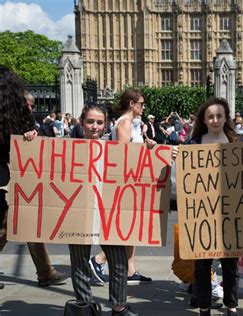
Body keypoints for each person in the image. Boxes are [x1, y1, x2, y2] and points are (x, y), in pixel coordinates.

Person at [176, 96, 243, 316]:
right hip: (204, 214)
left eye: (219, 116)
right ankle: (204, 306)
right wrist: (178, 156)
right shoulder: (193, 144)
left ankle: (231, 306)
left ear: (226, 118)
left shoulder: (238, 143)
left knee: (230, 266)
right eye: (210, 116)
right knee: (202, 266)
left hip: (230, 213)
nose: (215, 120)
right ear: (204, 120)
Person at [0, 66, 68, 288]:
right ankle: (45, 273)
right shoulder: (10, 114)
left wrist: (28, 136)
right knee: (9, 225)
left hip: (10, 178)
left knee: (28, 222)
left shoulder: (13, 116)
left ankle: (45, 272)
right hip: (5, 179)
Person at [68, 104, 137, 316]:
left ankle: (119, 307)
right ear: (81, 122)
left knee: (118, 262)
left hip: (109, 213)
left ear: (105, 124)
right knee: (80, 262)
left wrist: (152, 147)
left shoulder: (114, 147)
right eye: (90, 121)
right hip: (79, 212)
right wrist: (30, 138)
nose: (95, 126)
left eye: (99, 122)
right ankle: (85, 307)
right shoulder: (67, 148)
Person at [89, 89, 155, 286]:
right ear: (131, 104)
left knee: (131, 228)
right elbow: (124, 154)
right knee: (125, 228)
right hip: (126, 183)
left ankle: (130, 270)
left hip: (132, 181)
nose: (143, 107)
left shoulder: (131, 123)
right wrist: (145, 148)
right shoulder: (125, 123)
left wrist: (146, 143)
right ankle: (99, 259)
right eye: (141, 104)